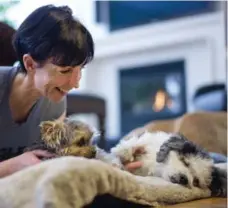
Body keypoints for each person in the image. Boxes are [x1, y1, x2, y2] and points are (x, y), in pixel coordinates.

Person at [0, 4, 141, 178]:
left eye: (79, 70)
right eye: (65, 70)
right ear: (30, 64)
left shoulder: (54, 102)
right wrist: (12, 165)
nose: (75, 84)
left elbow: (58, 162)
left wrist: (110, 168)